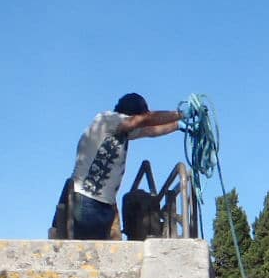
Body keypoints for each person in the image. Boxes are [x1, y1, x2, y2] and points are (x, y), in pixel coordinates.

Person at [66, 93, 183, 239]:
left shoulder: (123, 131)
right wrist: (180, 114)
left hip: (105, 202)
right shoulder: (106, 119)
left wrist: (178, 126)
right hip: (86, 199)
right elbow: (147, 120)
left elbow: (151, 130)